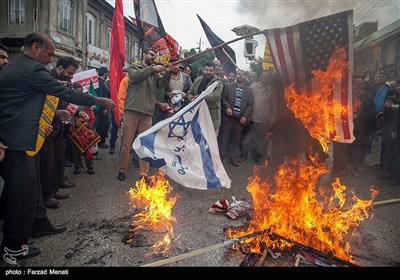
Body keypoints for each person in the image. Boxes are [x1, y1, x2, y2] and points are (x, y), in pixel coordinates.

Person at [0, 32, 115, 260]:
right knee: (22, 195)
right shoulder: (33, 70)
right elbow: (64, 92)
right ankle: (13, 246)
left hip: (21, 139)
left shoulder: (15, 67)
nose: (50, 59)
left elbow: (27, 101)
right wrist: (99, 101)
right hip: (19, 141)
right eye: (49, 54)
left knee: (30, 191)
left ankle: (35, 226)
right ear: (35, 47)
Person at [117, 48, 172, 181]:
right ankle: (122, 170)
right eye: (151, 54)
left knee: (145, 145)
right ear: (144, 55)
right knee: (127, 143)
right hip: (132, 110)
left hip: (147, 112)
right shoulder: (134, 67)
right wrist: (153, 69)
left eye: (155, 55)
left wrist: (168, 72)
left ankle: (144, 174)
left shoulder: (154, 72)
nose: (153, 57)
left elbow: (162, 84)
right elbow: (136, 77)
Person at [187, 60, 224, 136]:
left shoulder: (218, 83)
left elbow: (214, 97)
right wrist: (192, 99)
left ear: (214, 71)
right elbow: (189, 93)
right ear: (203, 70)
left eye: (211, 70)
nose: (208, 72)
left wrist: (199, 97)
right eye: (207, 70)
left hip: (212, 119)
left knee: (209, 145)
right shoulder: (198, 80)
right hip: (197, 117)